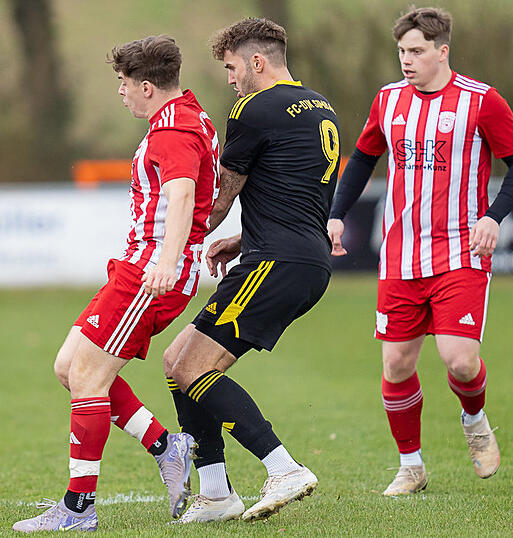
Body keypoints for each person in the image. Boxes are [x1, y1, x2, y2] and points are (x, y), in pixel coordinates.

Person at [12, 35, 219, 532]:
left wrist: (168, 261)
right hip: (138, 267)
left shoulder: (172, 129)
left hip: (150, 274)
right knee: (69, 368)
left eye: (124, 84)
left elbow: (184, 194)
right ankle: (168, 446)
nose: (121, 93)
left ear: (147, 87)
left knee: (86, 377)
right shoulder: (189, 114)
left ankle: (78, 508)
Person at [327, 7, 513, 496]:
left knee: (459, 360)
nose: (406, 60)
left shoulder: (481, 101)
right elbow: (362, 158)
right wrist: (336, 212)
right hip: (399, 255)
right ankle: (411, 466)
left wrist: (492, 216)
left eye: (417, 51)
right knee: (397, 366)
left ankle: (475, 419)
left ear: (443, 51)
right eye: (402, 51)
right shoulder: (387, 101)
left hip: (461, 252)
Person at [163, 18, 339, 523]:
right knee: (177, 361)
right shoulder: (321, 107)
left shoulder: (253, 109)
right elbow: (302, 196)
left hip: (275, 263)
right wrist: (242, 238)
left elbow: (220, 197)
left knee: (193, 367)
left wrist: (173, 238)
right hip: (304, 258)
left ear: (256, 62)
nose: (231, 79)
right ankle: (216, 493)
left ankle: (282, 467)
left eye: (232, 67)